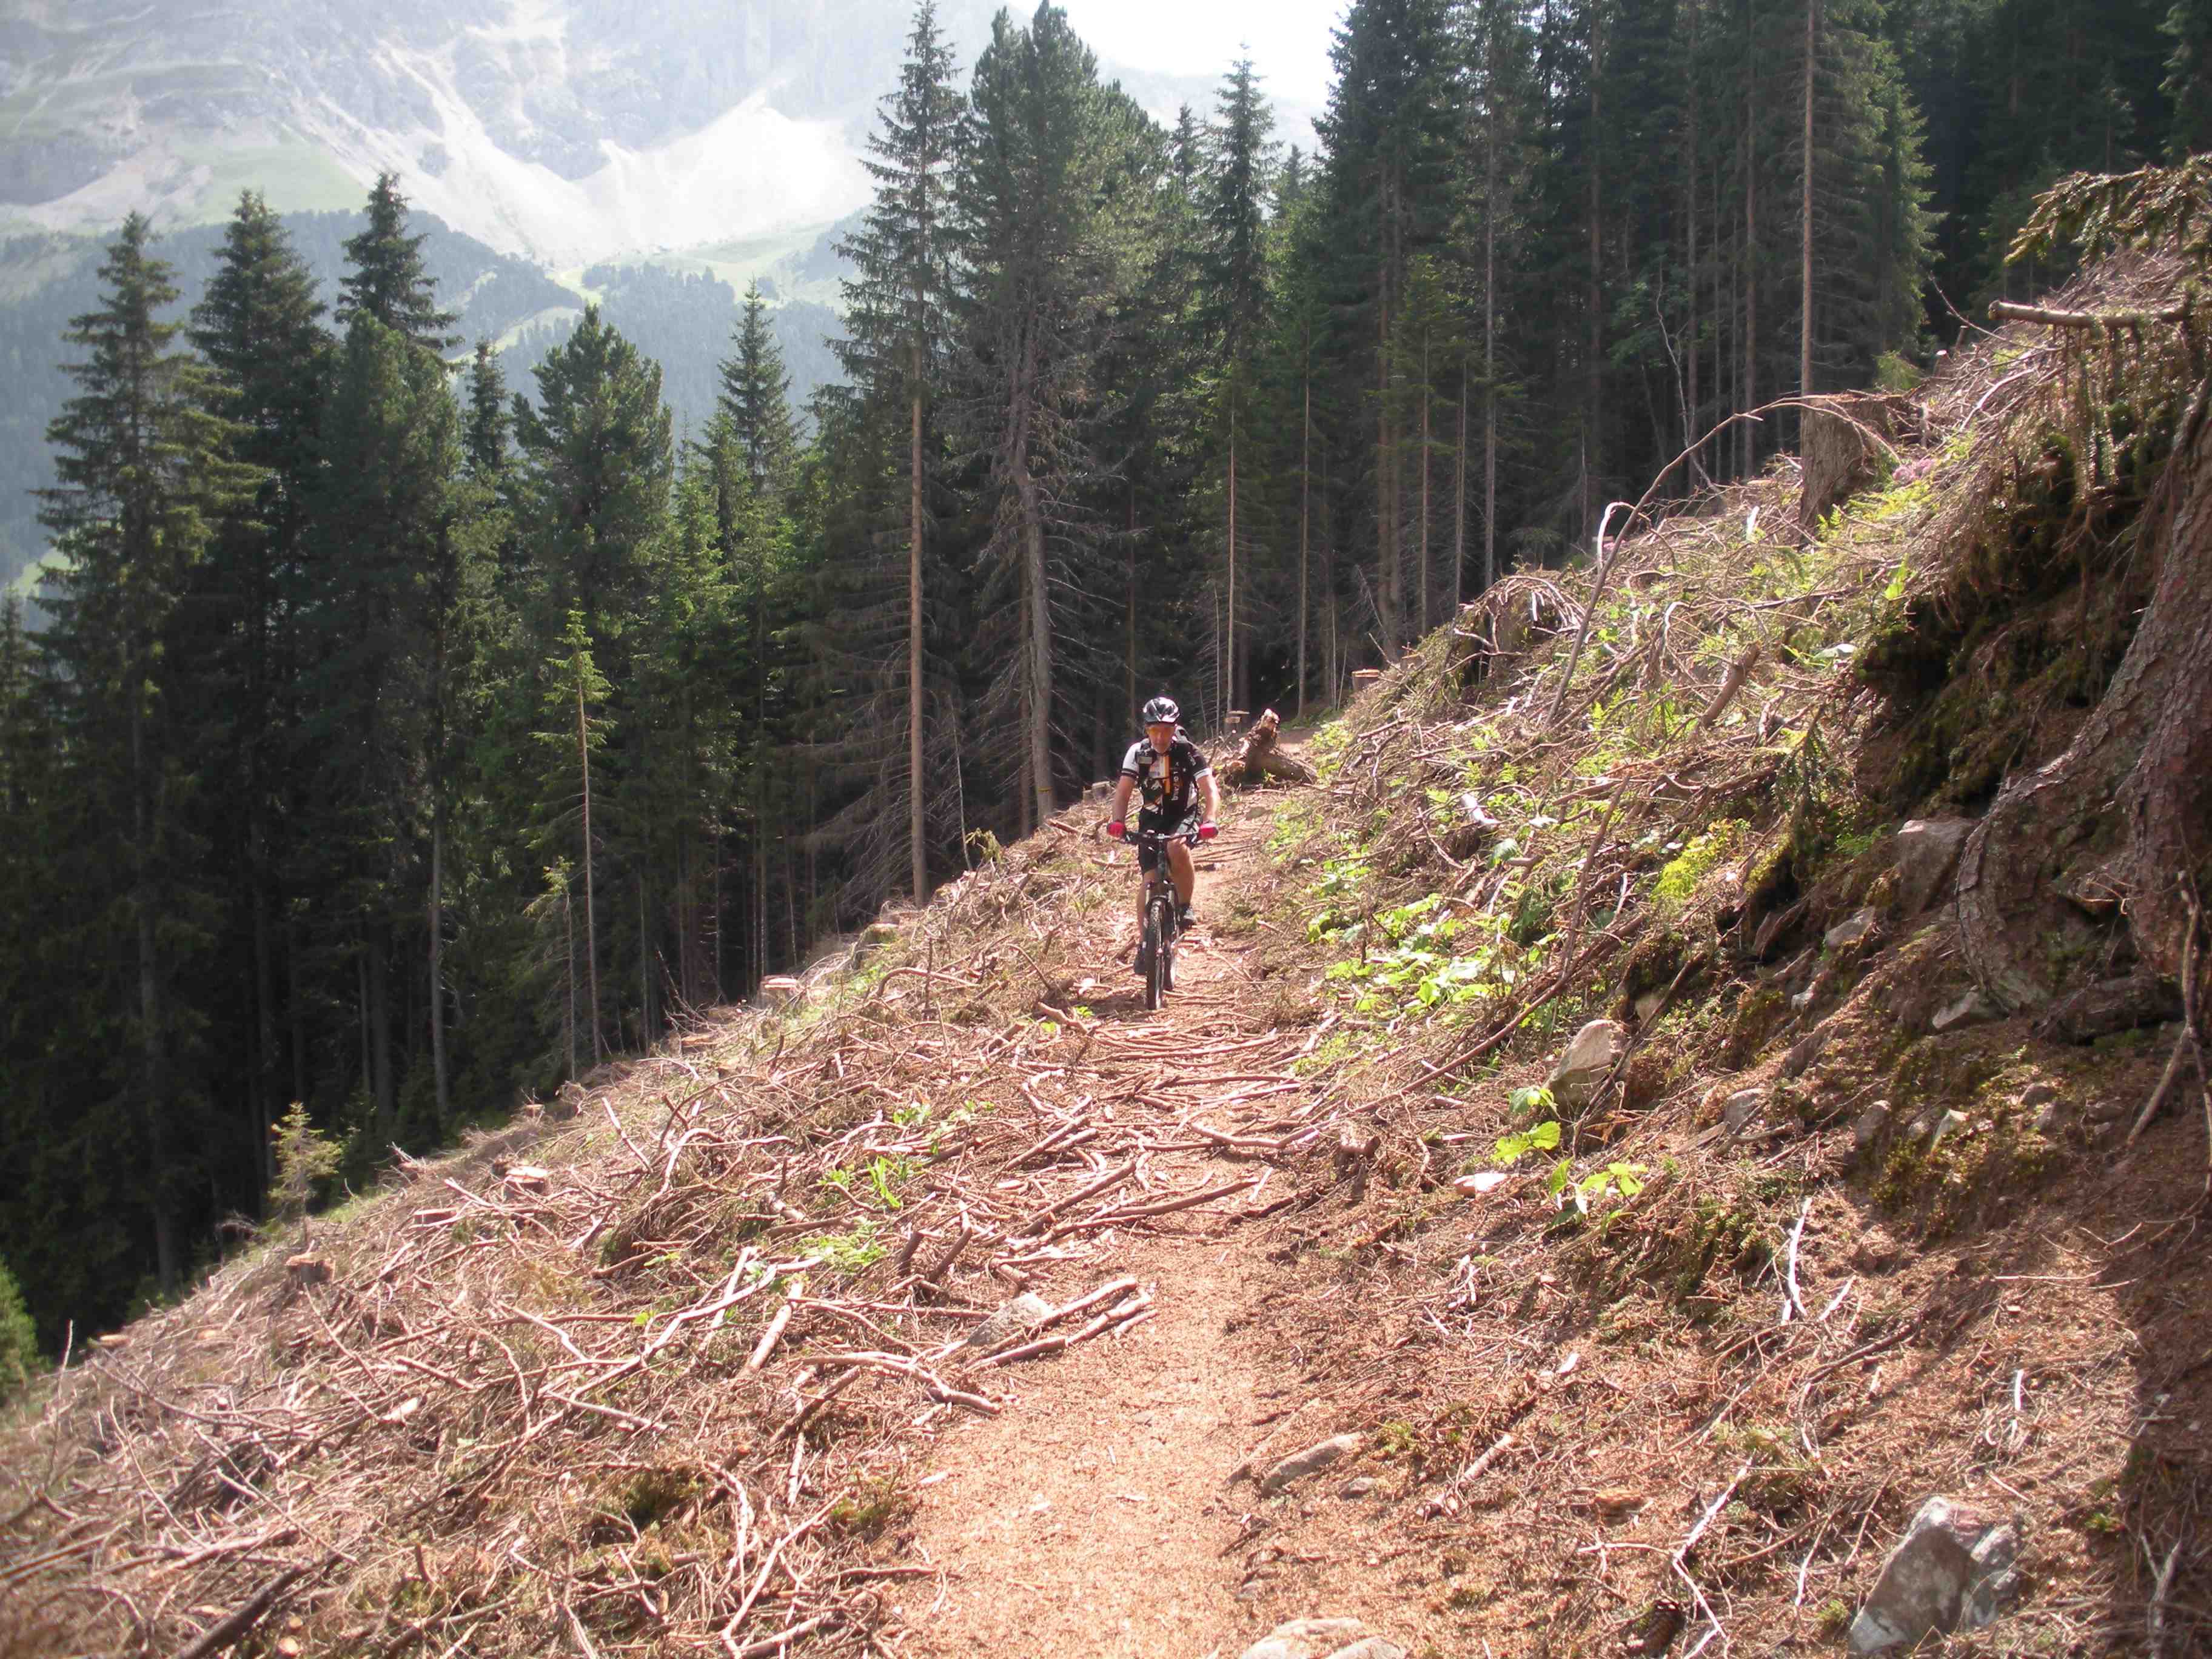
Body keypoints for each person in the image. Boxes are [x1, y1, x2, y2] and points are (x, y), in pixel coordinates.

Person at [1105, 695, 1219, 963]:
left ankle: (1185, 904)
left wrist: (1210, 819)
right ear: (1146, 729)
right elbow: (1123, 792)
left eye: (1166, 730)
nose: (1160, 736)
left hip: (1184, 813)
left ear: (1175, 728)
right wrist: (1118, 821)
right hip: (1152, 817)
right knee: (1148, 881)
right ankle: (1145, 944)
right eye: (1154, 730)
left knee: (1176, 847)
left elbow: (1210, 789)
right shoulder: (1138, 753)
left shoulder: (1188, 751)